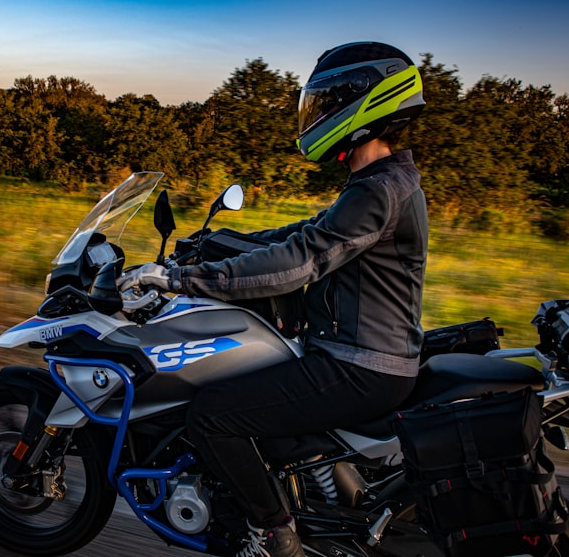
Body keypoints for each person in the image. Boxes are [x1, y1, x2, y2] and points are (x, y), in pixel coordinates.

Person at [120, 41, 428, 557]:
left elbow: (297, 263)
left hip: (359, 366)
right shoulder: (382, 182)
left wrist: (181, 280)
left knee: (212, 415)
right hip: (360, 354)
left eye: (328, 103)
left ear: (367, 104)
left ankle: (272, 534)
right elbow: (304, 235)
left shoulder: (377, 191)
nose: (319, 114)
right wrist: (218, 245)